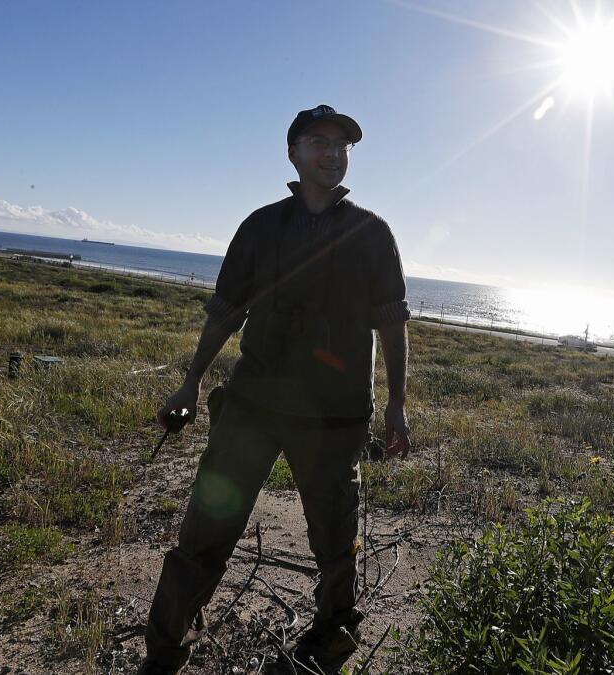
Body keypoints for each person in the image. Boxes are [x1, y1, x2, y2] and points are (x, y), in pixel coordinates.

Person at [138, 104, 412, 675]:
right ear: (293, 153)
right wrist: (190, 381)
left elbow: (392, 321)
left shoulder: (371, 233)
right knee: (204, 536)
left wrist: (396, 404)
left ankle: (327, 651)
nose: (331, 153)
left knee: (336, 545)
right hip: (251, 408)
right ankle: (164, 653)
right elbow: (224, 311)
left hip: (336, 419)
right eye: (318, 142)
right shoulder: (260, 226)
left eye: (341, 145)